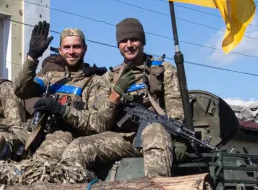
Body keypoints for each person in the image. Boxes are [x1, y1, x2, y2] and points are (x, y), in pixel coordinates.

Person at [59, 17, 186, 177]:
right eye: (124, 40)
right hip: (122, 137)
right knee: (77, 148)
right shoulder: (109, 78)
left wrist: (179, 140)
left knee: (155, 132)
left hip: (155, 133)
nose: (129, 45)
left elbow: (176, 108)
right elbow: (100, 123)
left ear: (143, 41)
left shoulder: (163, 70)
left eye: (134, 39)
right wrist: (116, 94)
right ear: (118, 45)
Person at [14, 21, 109, 160]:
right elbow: (20, 89)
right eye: (67, 47)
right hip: (38, 132)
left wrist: (61, 110)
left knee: (40, 163)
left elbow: (96, 124)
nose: (71, 52)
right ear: (60, 50)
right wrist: (32, 57)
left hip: (67, 136)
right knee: (6, 142)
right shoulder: (51, 77)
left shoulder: (95, 82)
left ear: (85, 49)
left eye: (76, 47)